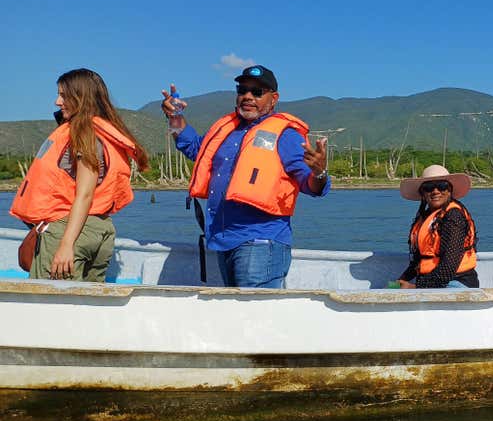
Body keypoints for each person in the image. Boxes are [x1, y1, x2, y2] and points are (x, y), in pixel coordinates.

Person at [160, 64, 329, 288]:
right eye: (242, 90)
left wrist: (319, 172)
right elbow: (193, 148)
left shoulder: (286, 136)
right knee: (237, 309)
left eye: (257, 92)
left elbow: (313, 187)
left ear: (273, 99)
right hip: (223, 241)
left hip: (261, 243)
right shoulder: (225, 130)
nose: (248, 96)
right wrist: (174, 117)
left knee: (253, 310)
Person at [10, 68, 150, 281]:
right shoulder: (105, 133)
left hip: (71, 231)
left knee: (50, 300)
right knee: (85, 301)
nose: (57, 102)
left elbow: (85, 194)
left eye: (63, 96)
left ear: (81, 97)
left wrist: (66, 244)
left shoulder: (85, 135)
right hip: (101, 230)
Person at [395, 165, 479, 289]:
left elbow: (448, 268)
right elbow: (419, 260)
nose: (435, 191)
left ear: (449, 190)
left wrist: (414, 287)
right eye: (429, 188)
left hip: (456, 282)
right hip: (432, 283)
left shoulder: (453, 216)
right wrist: (400, 281)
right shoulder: (426, 216)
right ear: (423, 193)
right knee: (390, 289)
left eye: (442, 186)